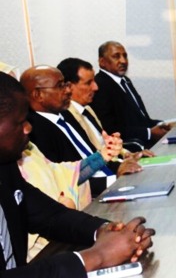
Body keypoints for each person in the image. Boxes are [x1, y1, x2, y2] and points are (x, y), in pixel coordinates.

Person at [0, 71, 155, 276]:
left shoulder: (5, 167)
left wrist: (105, 230)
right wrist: (96, 256)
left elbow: (49, 215)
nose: (29, 128)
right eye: (20, 122)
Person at [21, 65, 140, 197]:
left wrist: (122, 166)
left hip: (110, 183)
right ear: (38, 95)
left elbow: (90, 156)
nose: (68, 90)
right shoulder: (33, 131)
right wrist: (113, 180)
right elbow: (63, 182)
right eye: (60, 86)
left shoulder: (65, 114)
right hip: (90, 198)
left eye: (66, 84)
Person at [57, 57, 154, 159]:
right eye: (88, 83)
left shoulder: (88, 109)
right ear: (69, 87)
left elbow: (105, 144)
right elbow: (90, 156)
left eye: (94, 81)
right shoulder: (66, 117)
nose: (96, 87)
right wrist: (121, 163)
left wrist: (129, 154)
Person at [91, 41, 172, 147]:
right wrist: (149, 133)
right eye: (116, 56)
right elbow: (109, 129)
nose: (123, 61)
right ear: (102, 62)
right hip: (133, 149)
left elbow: (141, 120)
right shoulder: (99, 86)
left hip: (148, 143)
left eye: (125, 56)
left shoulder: (125, 81)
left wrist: (161, 124)